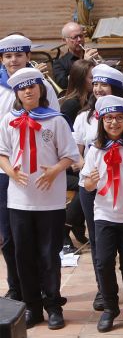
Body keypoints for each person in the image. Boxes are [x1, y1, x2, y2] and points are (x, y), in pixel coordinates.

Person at [0, 68, 80, 329]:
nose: (28, 90)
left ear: (41, 89)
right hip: (20, 200)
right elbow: (2, 153)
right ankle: (32, 307)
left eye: (33, 86)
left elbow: (70, 155)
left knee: (48, 254)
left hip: (50, 201)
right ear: (18, 93)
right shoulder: (8, 120)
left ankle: (53, 305)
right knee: (23, 255)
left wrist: (55, 170)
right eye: (23, 88)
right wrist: (11, 171)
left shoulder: (55, 120)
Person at [73, 64, 123, 311]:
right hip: (95, 185)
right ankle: (105, 293)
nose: (99, 89)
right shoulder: (84, 116)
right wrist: (90, 172)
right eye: (95, 83)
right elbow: (78, 151)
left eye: (104, 84)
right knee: (100, 247)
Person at [0, 35, 64, 304]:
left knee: (44, 241)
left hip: (39, 173)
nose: (13, 60)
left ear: (28, 57)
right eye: (7, 56)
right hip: (5, 172)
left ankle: (47, 292)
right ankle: (18, 289)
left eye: (18, 55)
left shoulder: (42, 87)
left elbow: (55, 121)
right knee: (10, 237)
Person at [80, 96, 123, 333]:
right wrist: (91, 181)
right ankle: (110, 308)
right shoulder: (95, 150)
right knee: (104, 262)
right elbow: (86, 184)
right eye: (109, 118)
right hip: (104, 214)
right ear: (102, 121)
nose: (114, 123)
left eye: (119, 118)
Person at [53, 21, 99, 91]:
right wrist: (85, 62)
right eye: (74, 37)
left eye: (81, 36)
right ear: (64, 40)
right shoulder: (59, 63)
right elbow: (63, 84)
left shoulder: (91, 55)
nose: (79, 40)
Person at [59, 59, 95, 126]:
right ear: (80, 80)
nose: (96, 81)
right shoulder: (70, 105)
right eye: (92, 77)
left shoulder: (93, 98)